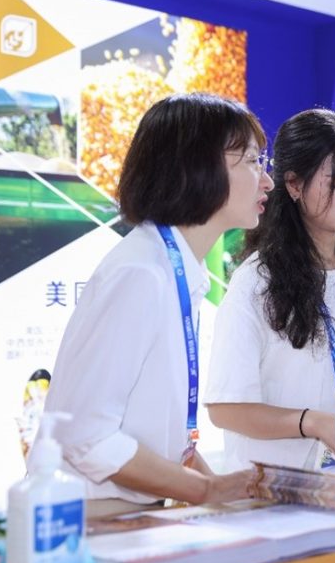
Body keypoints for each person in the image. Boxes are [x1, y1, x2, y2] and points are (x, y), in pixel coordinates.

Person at [42, 93, 273, 517]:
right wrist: (206, 491)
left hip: (135, 513)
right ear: (198, 166)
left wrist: (219, 489)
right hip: (89, 524)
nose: (267, 182)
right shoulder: (140, 274)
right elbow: (85, 437)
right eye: (253, 162)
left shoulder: (178, 271)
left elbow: (161, 437)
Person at [205, 108, 335, 470]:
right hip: (276, 499)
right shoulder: (257, 282)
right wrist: (312, 423)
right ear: (294, 185)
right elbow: (225, 409)